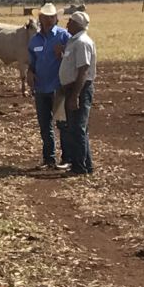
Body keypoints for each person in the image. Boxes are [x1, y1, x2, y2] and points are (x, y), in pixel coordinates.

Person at [26, 1, 71, 169]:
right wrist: (30, 72)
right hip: (40, 88)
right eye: (45, 16)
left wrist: (63, 54)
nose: (48, 19)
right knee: (45, 126)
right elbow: (32, 61)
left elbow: (74, 58)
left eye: (51, 16)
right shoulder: (35, 40)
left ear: (55, 18)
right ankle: (49, 159)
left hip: (58, 87)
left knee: (62, 124)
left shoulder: (63, 36)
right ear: (40, 18)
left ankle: (67, 158)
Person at [59, 9, 96, 176]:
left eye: (70, 21)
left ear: (77, 24)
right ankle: (85, 165)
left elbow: (83, 71)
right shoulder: (74, 41)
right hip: (73, 88)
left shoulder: (82, 42)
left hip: (78, 88)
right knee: (77, 128)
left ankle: (79, 167)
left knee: (77, 129)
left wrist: (75, 96)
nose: (67, 24)